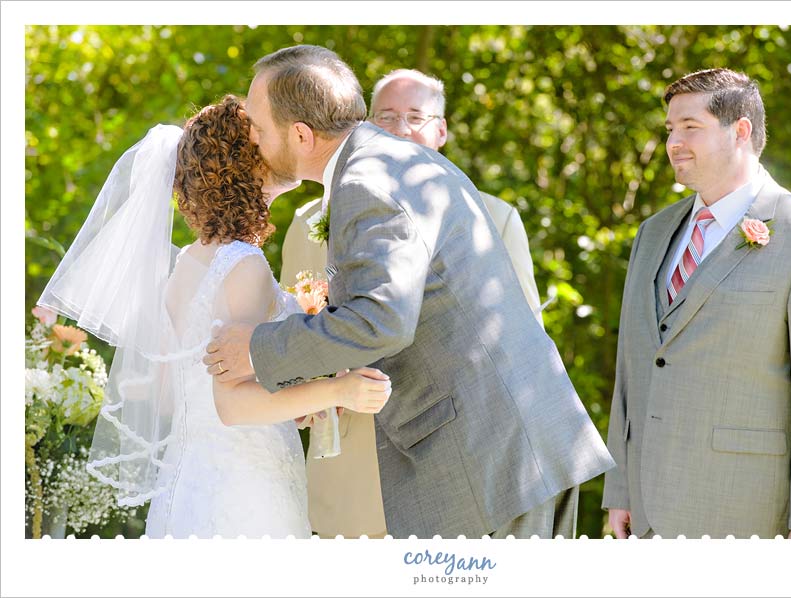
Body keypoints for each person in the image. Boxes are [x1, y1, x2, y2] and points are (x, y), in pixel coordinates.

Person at [205, 45, 615, 539]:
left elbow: (381, 320)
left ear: (300, 134)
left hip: (489, 462)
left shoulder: (367, 181)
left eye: (258, 125)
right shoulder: (394, 161)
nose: (252, 136)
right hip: (510, 448)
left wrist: (256, 349)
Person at [38, 96, 391, 539]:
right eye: (263, 135)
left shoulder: (189, 263)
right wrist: (339, 389)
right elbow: (232, 405)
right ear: (247, 165)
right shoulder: (242, 265)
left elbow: (175, 396)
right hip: (245, 495)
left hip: (189, 486)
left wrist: (288, 393)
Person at [601, 68, 791, 539]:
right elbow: (634, 369)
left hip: (747, 519)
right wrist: (621, 487)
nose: (673, 143)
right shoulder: (653, 233)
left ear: (740, 130)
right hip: (645, 517)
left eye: (691, 127)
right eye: (670, 130)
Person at [280, 68, 545, 539]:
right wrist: (304, 390)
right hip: (347, 462)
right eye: (386, 117)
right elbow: (291, 328)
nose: (400, 130)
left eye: (415, 117)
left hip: (455, 468)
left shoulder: (495, 219)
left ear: (440, 132)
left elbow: (520, 352)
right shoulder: (309, 221)